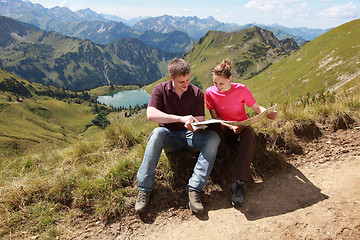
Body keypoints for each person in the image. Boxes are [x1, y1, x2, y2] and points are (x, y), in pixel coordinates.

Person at [135, 59, 220, 214]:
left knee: (213, 138)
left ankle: (194, 189)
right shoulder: (160, 90)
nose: (186, 84)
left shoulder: (197, 93)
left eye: (188, 79)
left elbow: (200, 121)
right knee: (157, 133)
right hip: (169, 136)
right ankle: (144, 188)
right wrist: (180, 119)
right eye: (181, 81)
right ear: (171, 78)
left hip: (190, 136)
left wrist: (194, 127)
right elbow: (151, 114)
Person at [205, 59, 277, 207]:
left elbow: (257, 108)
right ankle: (222, 161)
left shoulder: (242, 89)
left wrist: (268, 113)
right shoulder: (209, 93)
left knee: (250, 135)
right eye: (215, 83)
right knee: (212, 128)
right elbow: (215, 117)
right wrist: (230, 127)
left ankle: (239, 182)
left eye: (221, 83)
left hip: (242, 127)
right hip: (225, 127)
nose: (218, 87)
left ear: (229, 79)